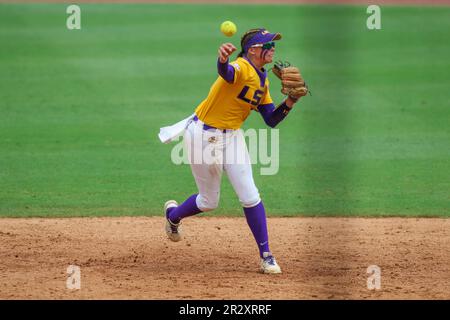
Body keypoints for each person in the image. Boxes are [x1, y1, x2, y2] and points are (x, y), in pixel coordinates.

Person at [163, 28, 306, 274]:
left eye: (273, 45)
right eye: (268, 45)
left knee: (250, 195)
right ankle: (173, 215)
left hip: (232, 138)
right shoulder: (240, 67)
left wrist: (290, 101)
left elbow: (271, 119)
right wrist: (221, 59)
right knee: (209, 201)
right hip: (202, 136)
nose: (273, 49)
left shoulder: (263, 79)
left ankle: (266, 256)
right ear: (253, 50)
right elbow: (226, 72)